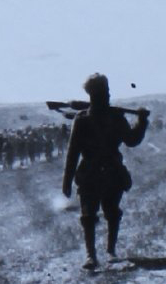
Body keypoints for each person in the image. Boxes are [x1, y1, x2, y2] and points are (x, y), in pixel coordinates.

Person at [62, 73, 150, 270]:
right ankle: (90, 256)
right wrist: (66, 181)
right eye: (103, 92)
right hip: (90, 173)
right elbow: (73, 152)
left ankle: (111, 251)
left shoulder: (116, 117)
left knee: (112, 212)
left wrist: (141, 123)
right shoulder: (82, 119)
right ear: (93, 95)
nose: (108, 96)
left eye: (107, 92)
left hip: (112, 171)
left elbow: (131, 140)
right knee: (88, 215)